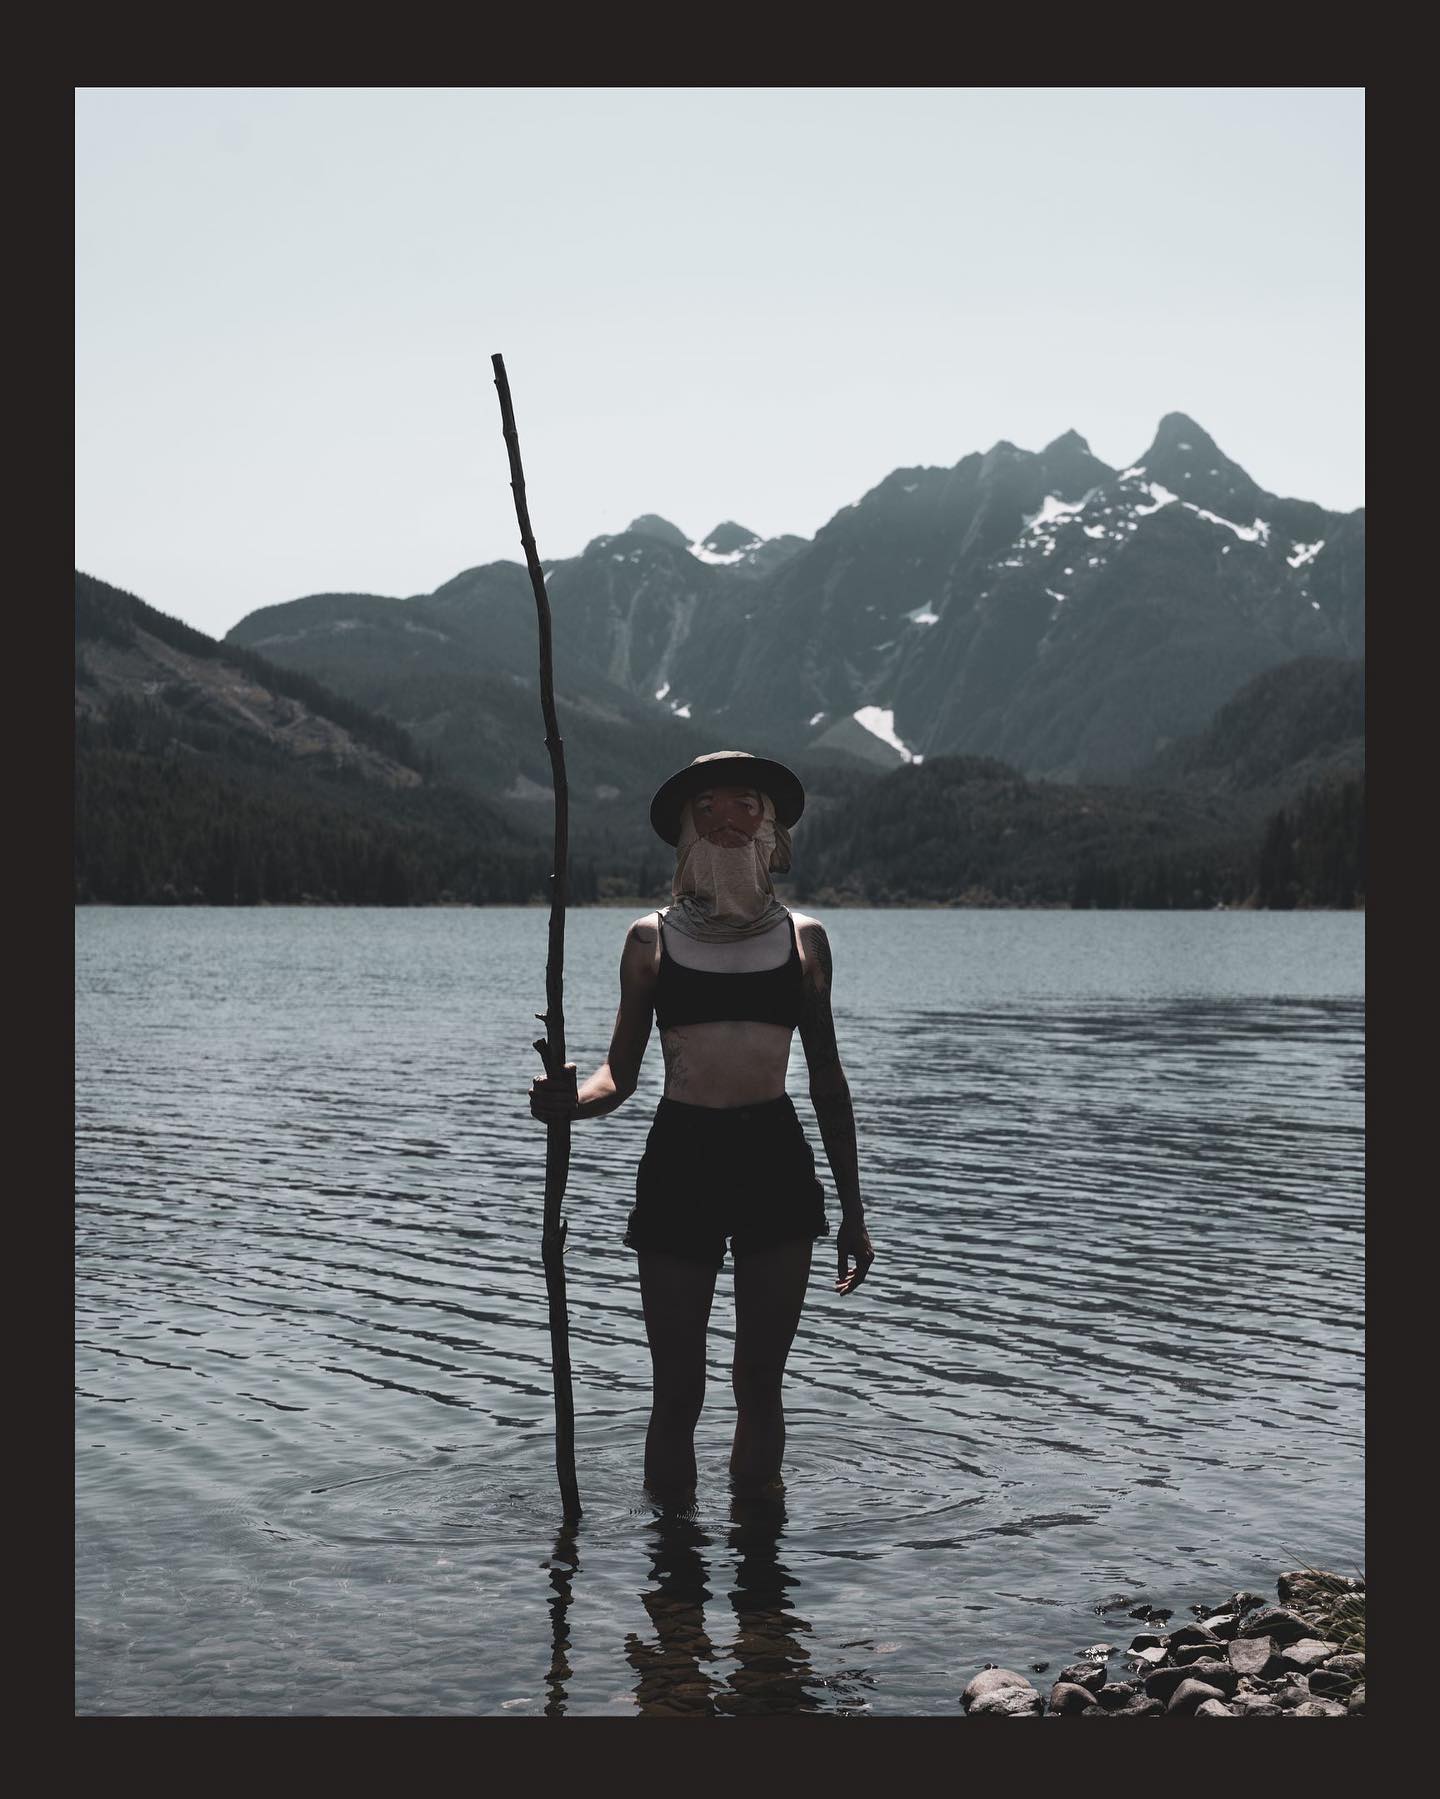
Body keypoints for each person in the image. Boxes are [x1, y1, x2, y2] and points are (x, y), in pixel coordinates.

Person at [529, 749, 875, 1503]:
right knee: (678, 1387)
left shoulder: (806, 941)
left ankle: (760, 1567)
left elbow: (826, 1075)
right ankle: (674, 1580)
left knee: (760, 1380)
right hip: (681, 1158)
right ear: (687, 826)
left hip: (777, 1159)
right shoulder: (650, 941)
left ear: (770, 824)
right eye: (709, 806)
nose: (727, 819)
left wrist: (853, 1209)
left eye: (745, 803)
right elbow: (616, 1075)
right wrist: (570, 1103)